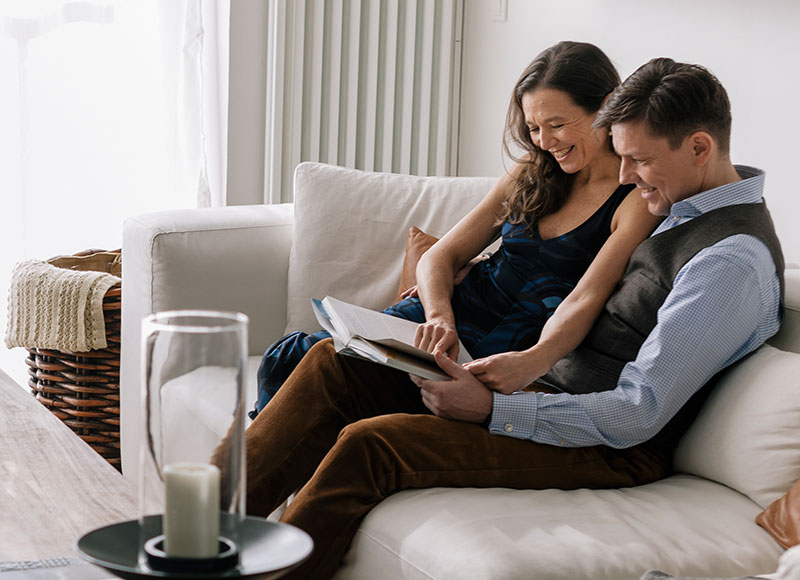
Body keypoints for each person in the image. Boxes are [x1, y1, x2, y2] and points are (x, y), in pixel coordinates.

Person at [243, 57, 784, 580]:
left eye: (639, 160)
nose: (625, 175)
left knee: (372, 444)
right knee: (329, 366)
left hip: (613, 448)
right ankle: (198, 542)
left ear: (699, 148)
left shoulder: (728, 261)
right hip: (547, 393)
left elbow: (639, 415)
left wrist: (494, 409)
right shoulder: (680, 204)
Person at [249, 41, 659, 418]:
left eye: (557, 124)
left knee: (341, 381)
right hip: (439, 327)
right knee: (291, 356)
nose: (544, 141)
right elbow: (441, 256)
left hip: (507, 348)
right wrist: (441, 318)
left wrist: (535, 360)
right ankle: (258, 474)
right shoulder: (531, 172)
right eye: (534, 128)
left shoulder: (635, 199)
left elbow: (585, 299)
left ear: (606, 107)